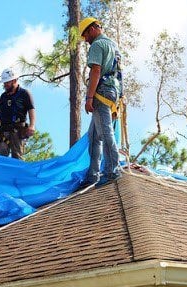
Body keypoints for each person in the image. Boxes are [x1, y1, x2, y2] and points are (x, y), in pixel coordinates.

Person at [78, 17, 123, 189]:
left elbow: (96, 71)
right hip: (112, 91)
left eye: (85, 36)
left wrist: (89, 98)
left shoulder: (97, 45)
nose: (86, 40)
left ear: (92, 30)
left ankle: (112, 171)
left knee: (105, 133)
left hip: (102, 91)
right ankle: (93, 174)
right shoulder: (113, 45)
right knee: (94, 135)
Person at [0, 68, 36, 159]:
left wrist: (32, 126)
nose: (5, 85)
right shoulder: (3, 96)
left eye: (7, 82)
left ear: (14, 80)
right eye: (4, 83)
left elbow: (31, 110)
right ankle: (1, 172)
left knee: (17, 158)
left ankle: (18, 173)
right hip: (4, 129)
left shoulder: (24, 93)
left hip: (17, 130)